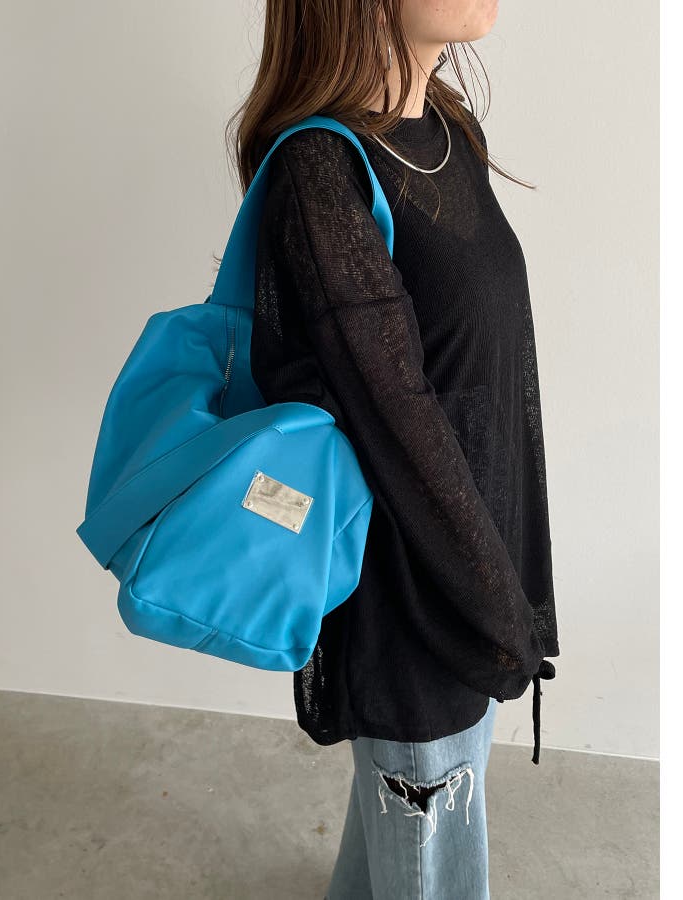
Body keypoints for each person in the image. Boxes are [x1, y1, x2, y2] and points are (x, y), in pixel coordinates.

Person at [225, 2, 560, 896]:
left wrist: (503, 585)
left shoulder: (448, 127)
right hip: (414, 597)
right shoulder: (319, 169)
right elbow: (397, 423)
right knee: (429, 842)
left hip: (471, 561)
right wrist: (498, 609)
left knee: (401, 845)